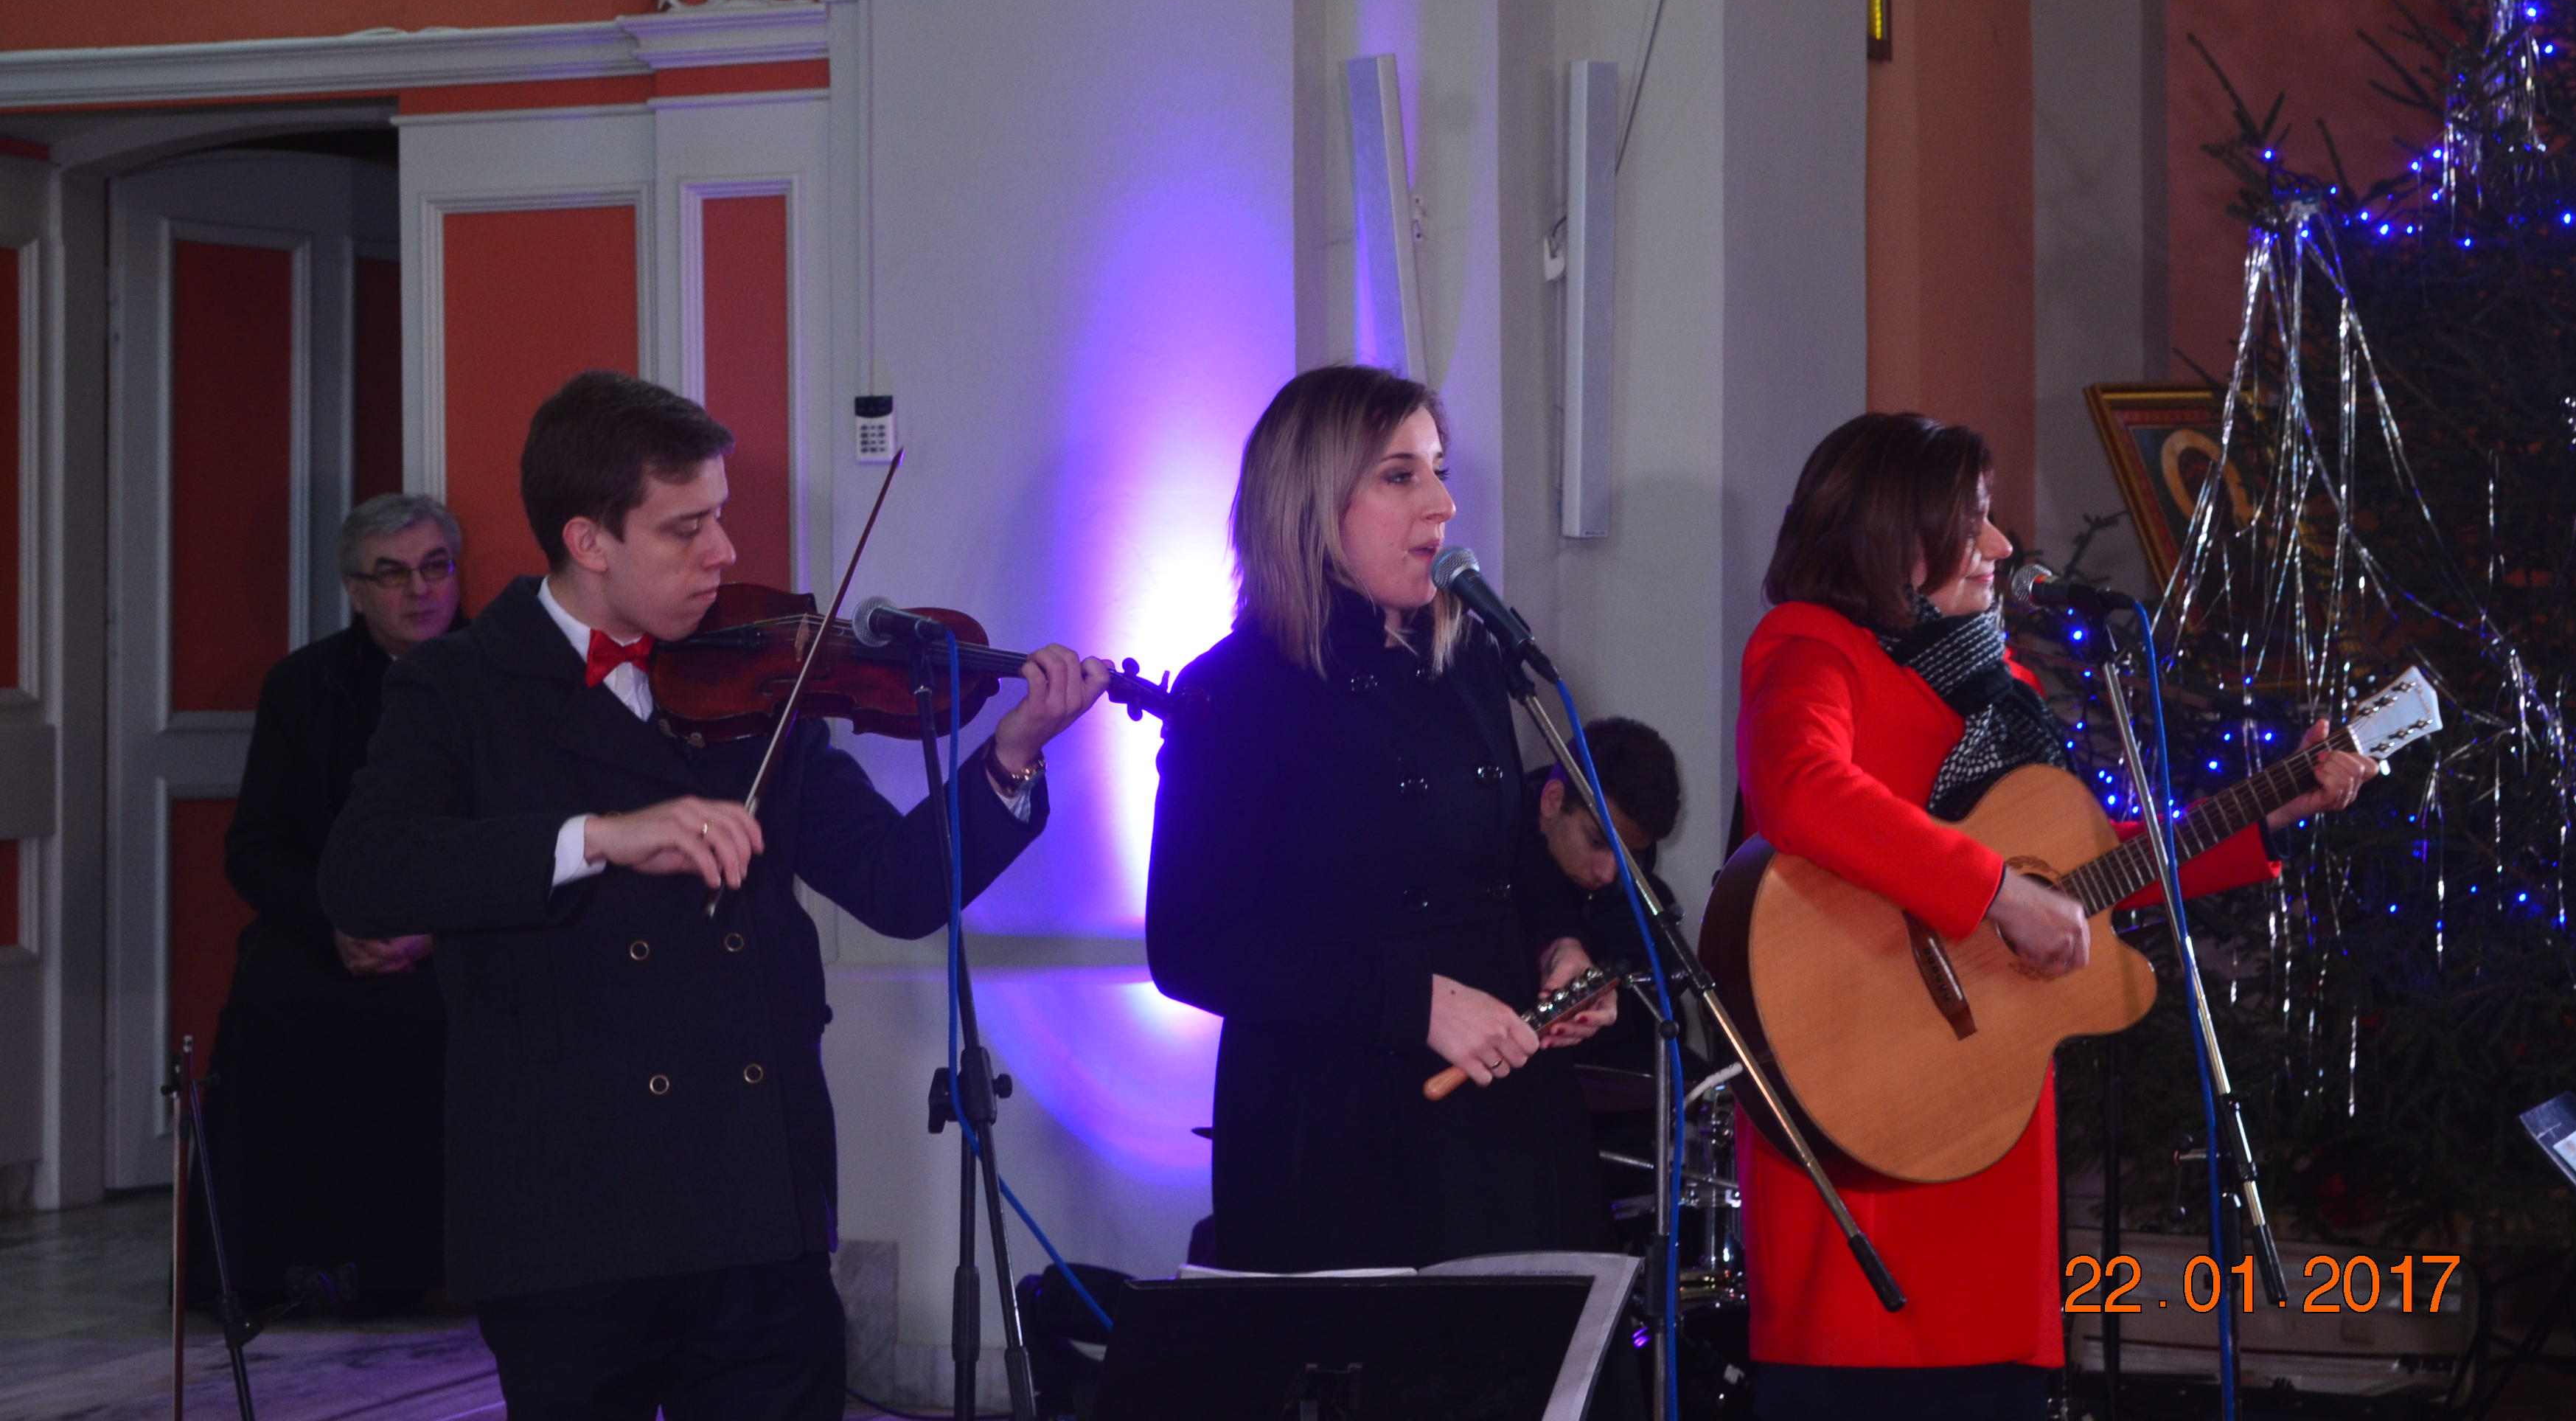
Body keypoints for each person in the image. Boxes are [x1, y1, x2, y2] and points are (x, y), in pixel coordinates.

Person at [319, 371, 1113, 1420]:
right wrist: (596, 838)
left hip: (754, 1202)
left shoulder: (759, 681)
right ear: (589, 540)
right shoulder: (457, 686)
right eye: (685, 527)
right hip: (565, 1215)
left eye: (721, 517)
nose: (724, 553)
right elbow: (366, 875)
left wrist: (1009, 757)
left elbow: (899, 885)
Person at [1733, 412, 2376, 1420]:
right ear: (1897, 535)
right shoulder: (1814, 647)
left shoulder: (1997, 686)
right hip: (1866, 1107)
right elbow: (1802, 790)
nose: (2000, 546)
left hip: (1984, 1109)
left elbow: (2074, 871)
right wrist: (1995, 892)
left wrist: (2270, 810)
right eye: (1975, 521)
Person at [1146, 364, 1622, 1282]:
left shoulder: (1468, 657)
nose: (1442, 505)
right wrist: (1417, 1003)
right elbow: (1193, 946)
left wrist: (1561, 948)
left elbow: (1508, 859)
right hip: (1338, 1139)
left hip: (1501, 1117)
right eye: (1400, 475)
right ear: (1310, 506)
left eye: (1438, 469)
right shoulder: (1234, 690)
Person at [200, 494, 467, 1313]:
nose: (420, 590)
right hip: (330, 922)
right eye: (393, 574)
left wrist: (433, 930)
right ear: (354, 589)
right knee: (273, 999)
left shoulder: (500, 676)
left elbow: (529, 834)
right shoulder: (302, 685)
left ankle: (421, 1269)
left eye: (436, 567)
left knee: (428, 1016)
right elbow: (254, 846)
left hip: (460, 923)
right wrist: (339, 925)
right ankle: (275, 1269)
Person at [1523, 716, 1685, 1077]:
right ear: (1552, 800)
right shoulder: (1485, 882)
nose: (1608, 873)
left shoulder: (1646, 903)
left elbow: (1663, 1047)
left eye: (1630, 856)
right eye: (1597, 842)